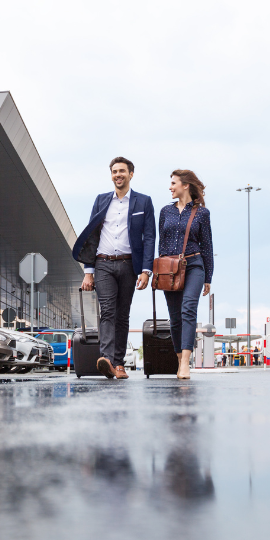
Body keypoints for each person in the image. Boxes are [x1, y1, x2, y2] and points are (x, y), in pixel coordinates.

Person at [71, 157, 156, 379]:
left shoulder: (143, 202)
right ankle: (107, 359)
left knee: (122, 315)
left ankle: (119, 364)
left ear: (131, 174)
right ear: (111, 175)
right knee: (107, 310)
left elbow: (149, 238)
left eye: (122, 171)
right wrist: (88, 271)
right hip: (103, 264)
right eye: (114, 171)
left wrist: (146, 270)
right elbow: (91, 235)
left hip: (129, 264)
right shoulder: (101, 200)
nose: (118, 175)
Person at [158, 170, 213, 380]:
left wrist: (208, 277)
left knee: (188, 309)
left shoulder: (201, 213)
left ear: (185, 185)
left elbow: (207, 246)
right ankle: (179, 357)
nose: (170, 187)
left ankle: (184, 363)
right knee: (174, 318)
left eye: (173, 183)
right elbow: (161, 245)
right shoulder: (165, 211)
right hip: (170, 268)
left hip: (194, 265)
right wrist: (160, 270)